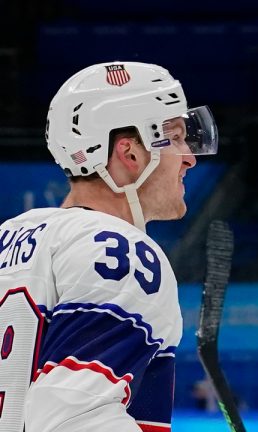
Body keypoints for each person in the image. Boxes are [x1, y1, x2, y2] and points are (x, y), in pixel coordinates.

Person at [0, 61, 218, 431]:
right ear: (130, 154)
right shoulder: (121, 252)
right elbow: (74, 419)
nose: (190, 157)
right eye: (177, 138)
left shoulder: (9, 236)